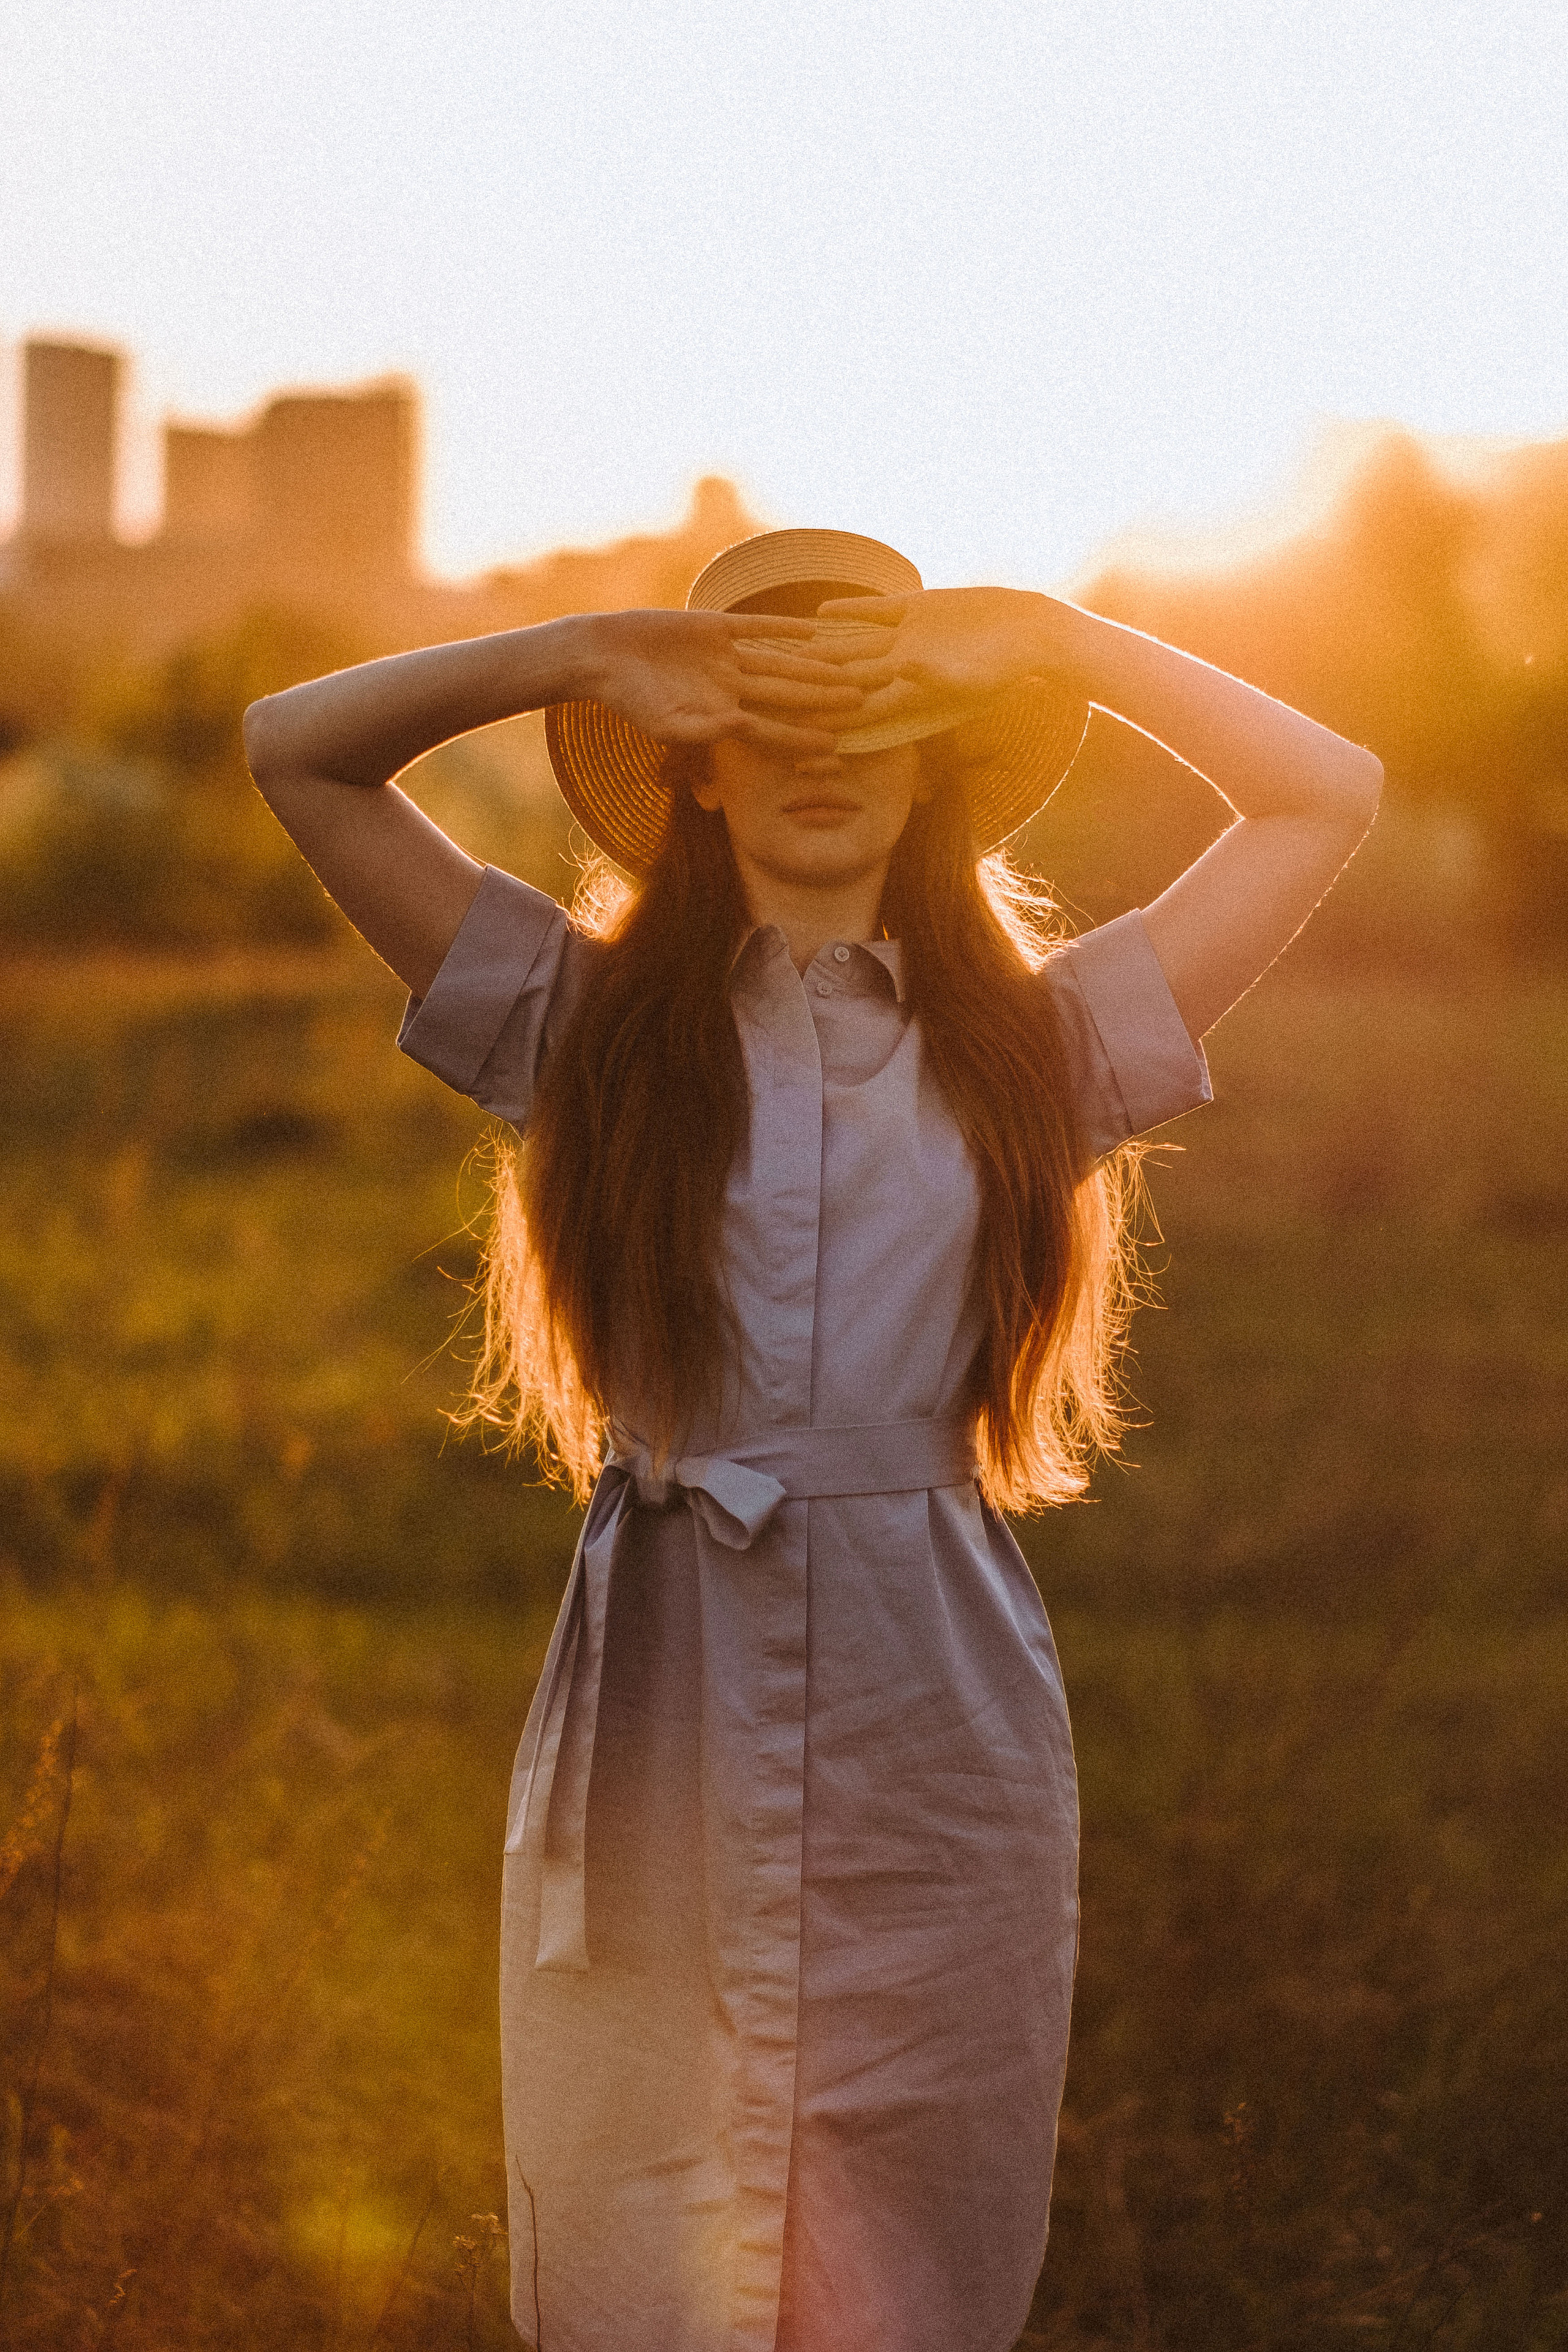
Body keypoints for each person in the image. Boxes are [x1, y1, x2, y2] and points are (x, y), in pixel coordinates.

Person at [243, 527, 1381, 2352]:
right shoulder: (582, 1021)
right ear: (692, 759)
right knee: (640, 2247)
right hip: (660, 1730)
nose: (826, 750)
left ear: (939, 754)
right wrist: (591, 652)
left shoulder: (1047, 1046)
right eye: (768, 711)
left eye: (878, 706)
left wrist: (1056, 643)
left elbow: (1329, 796)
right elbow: (297, 747)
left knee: (906, 2259)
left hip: (933, 1734)